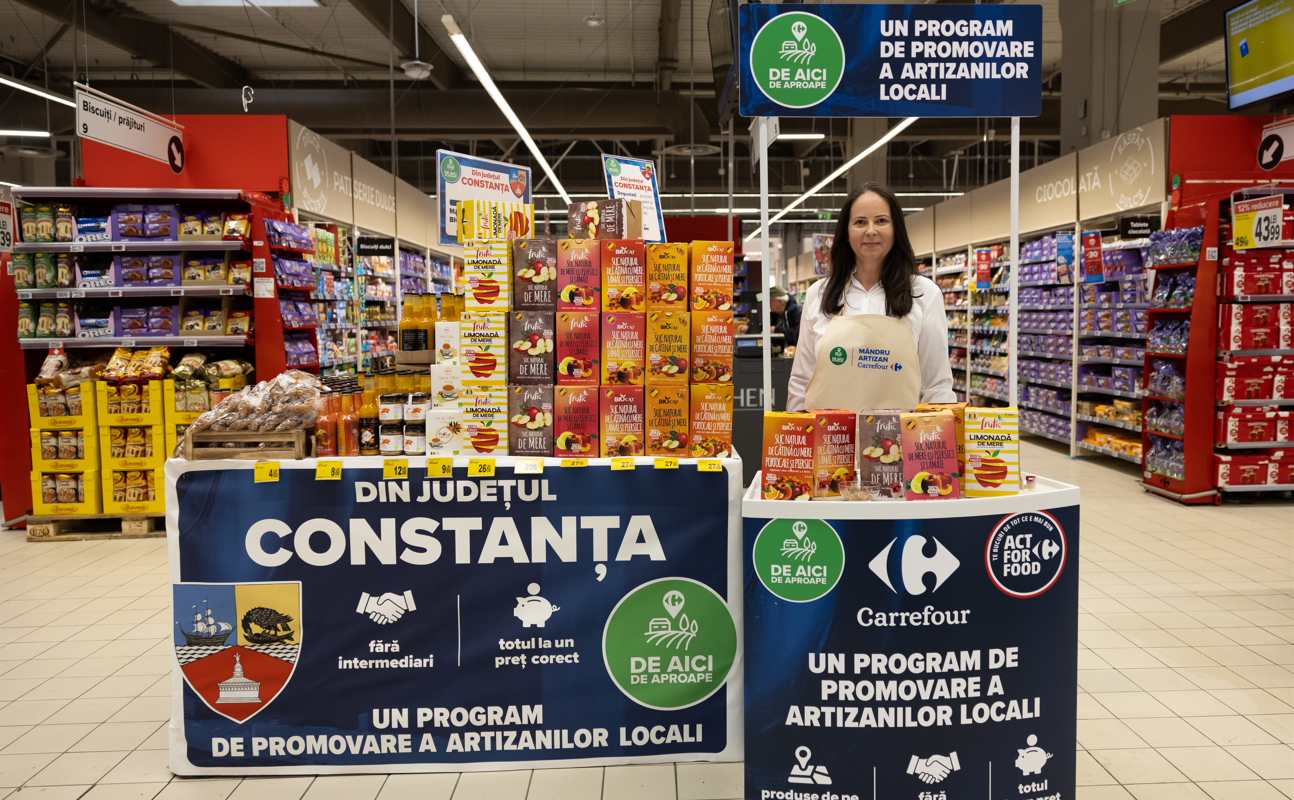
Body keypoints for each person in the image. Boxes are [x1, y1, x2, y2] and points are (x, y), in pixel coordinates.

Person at [787, 182, 955, 412]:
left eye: (881, 220)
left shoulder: (924, 293)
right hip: (829, 434)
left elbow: (937, 385)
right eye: (860, 222)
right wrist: (795, 427)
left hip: (900, 435)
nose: (871, 230)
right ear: (846, 234)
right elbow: (801, 381)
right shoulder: (819, 294)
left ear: (896, 229)